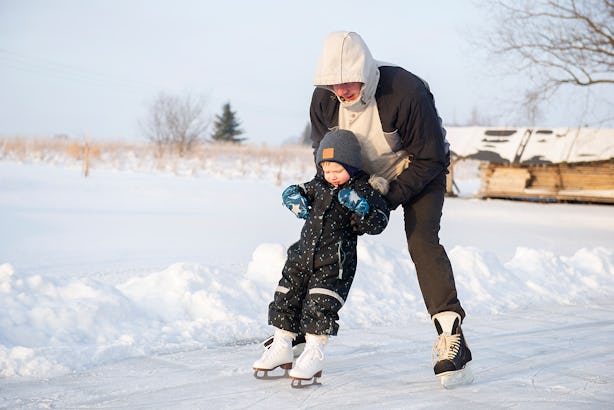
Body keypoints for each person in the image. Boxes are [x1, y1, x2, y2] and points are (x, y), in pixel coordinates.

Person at [308, 31, 472, 383]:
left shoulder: (405, 91)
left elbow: (431, 157)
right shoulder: (324, 99)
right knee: (322, 235)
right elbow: (324, 154)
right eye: (333, 83)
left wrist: (384, 198)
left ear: (364, 71)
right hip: (362, 176)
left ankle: (451, 335)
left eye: (348, 81)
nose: (342, 91)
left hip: (417, 171)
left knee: (422, 241)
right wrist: (320, 192)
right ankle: (299, 331)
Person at [252, 129, 390, 385]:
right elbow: (302, 189)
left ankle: (313, 352)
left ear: (352, 165)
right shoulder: (319, 185)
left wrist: (362, 208)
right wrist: (293, 195)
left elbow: (378, 223)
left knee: (319, 305)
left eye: (337, 170)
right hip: (302, 255)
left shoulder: (364, 189)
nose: (331, 176)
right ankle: (282, 344)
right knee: (286, 297)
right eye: (326, 170)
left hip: (334, 262)